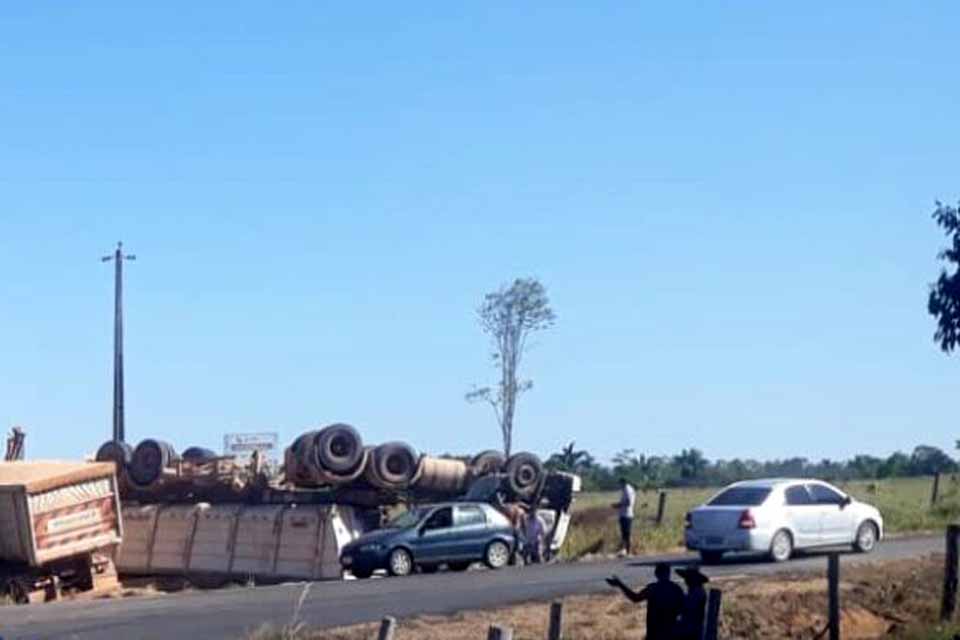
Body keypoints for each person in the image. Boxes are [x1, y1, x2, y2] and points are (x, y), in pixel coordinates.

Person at [606, 562, 685, 640]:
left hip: (654, 632)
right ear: (668, 573)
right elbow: (683, 609)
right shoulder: (676, 589)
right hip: (671, 631)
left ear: (656, 575)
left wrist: (620, 584)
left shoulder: (652, 589)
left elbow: (635, 598)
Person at [676, 566, 710, 640]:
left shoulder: (697, 593)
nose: (686, 581)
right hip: (690, 627)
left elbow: (686, 608)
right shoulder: (694, 591)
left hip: (692, 629)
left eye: (688, 578)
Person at [611, 477, 636, 556]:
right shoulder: (625, 489)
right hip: (623, 514)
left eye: (620, 484)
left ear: (623, 483)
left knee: (627, 534)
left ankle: (628, 551)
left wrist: (618, 505)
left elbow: (628, 503)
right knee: (624, 534)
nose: (619, 485)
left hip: (627, 514)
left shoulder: (628, 490)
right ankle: (624, 550)